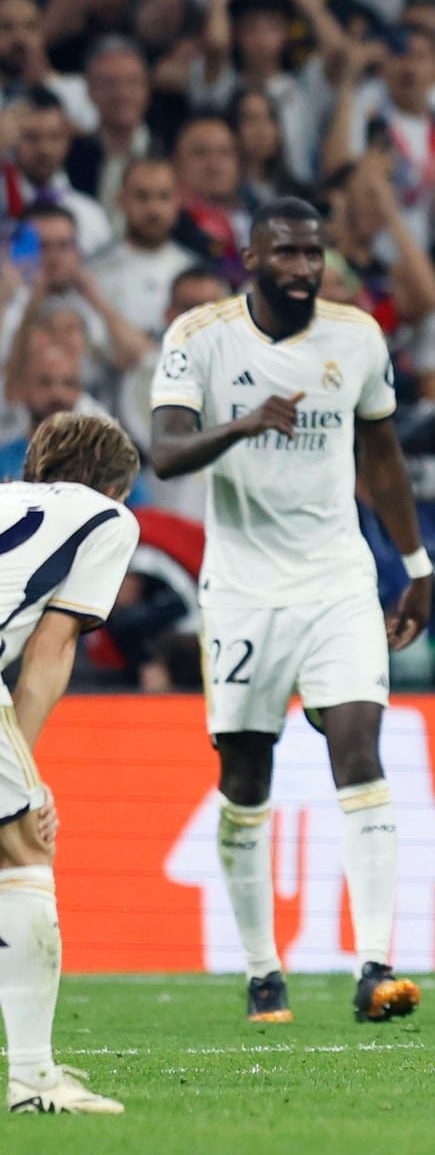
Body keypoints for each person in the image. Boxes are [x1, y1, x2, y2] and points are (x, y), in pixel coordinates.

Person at [147, 198, 433, 1026]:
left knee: (359, 751)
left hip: (337, 581)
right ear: (251, 258)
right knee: (245, 779)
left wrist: (415, 562)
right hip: (241, 589)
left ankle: (374, 965)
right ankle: (263, 970)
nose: (304, 270)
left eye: (314, 255)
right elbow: (163, 453)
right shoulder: (198, 338)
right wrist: (241, 424)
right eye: (288, 255)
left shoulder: (356, 337)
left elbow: (382, 457)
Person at [0, 413, 141, 1115]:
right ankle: (32, 1081)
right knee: (22, 847)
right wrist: (25, 774)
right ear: (115, 484)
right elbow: (50, 650)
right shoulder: (107, 518)